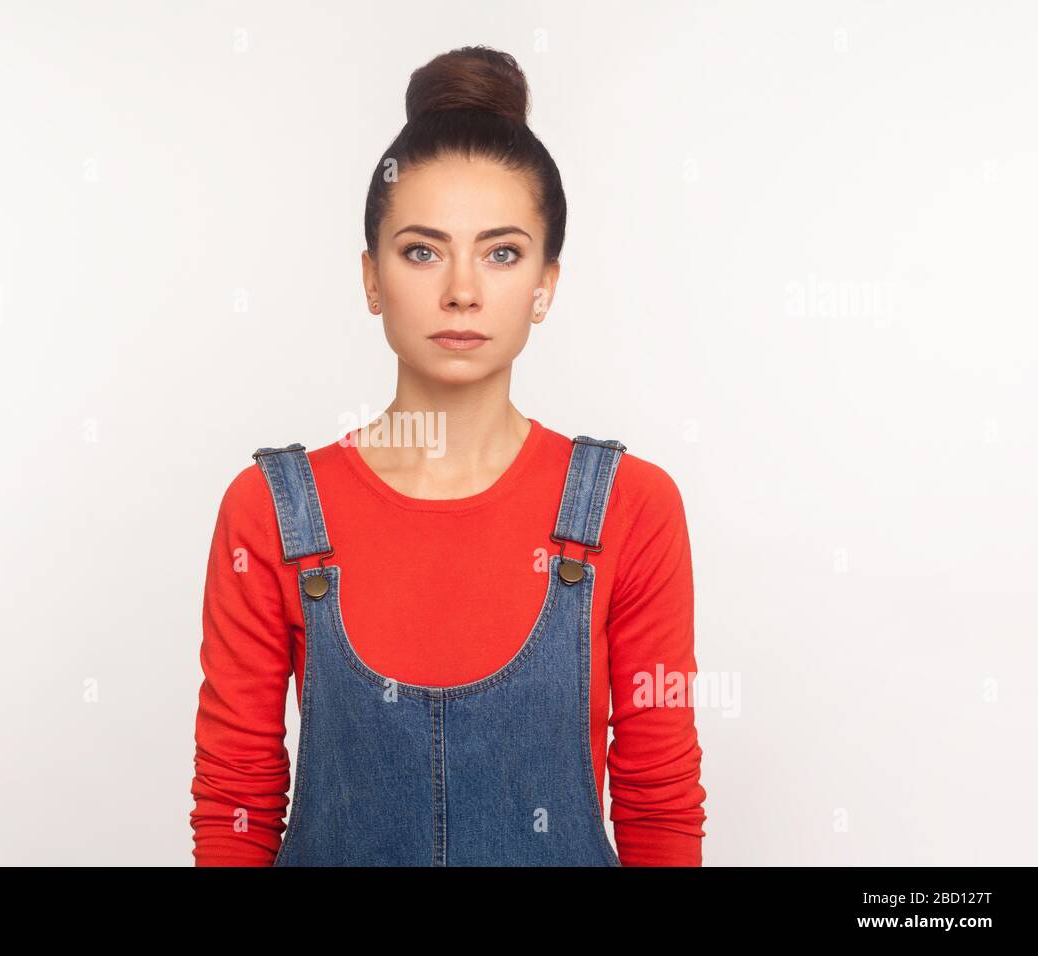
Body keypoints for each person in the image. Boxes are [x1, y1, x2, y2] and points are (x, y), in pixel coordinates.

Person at [190, 45, 706, 866]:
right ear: (371, 278)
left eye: (502, 253)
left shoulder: (631, 510)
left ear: (546, 283)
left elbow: (659, 799)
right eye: (422, 251)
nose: (462, 289)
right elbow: (237, 801)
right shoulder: (270, 511)